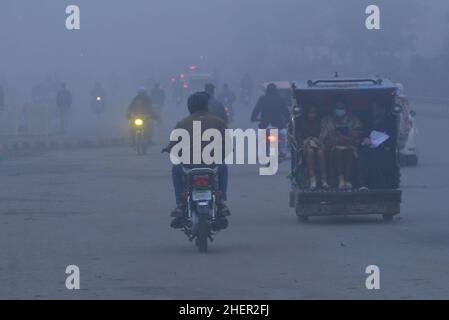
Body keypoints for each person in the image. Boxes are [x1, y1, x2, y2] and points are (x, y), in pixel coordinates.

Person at [163, 91, 231, 229]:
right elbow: (228, 143)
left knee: (176, 170)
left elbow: (173, 144)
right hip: (212, 165)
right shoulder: (218, 122)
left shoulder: (182, 123)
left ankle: (181, 204)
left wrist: (168, 149)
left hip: (189, 165)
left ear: (190, 106)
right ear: (206, 105)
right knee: (223, 168)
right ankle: (221, 200)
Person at [320, 101, 362, 190]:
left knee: (350, 153)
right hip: (333, 147)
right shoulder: (326, 120)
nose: (339, 110)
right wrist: (335, 137)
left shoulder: (354, 120)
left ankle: (347, 179)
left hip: (350, 146)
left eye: (342, 108)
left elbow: (358, 135)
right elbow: (323, 138)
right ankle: (341, 179)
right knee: (338, 152)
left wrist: (346, 137)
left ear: (346, 109)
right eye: (337, 108)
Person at [358, 102, 399, 190]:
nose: (374, 110)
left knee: (383, 158)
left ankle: (384, 183)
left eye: (376, 108)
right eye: (373, 108)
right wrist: (366, 139)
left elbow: (393, 137)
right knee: (364, 157)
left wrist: (382, 143)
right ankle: (363, 184)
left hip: (384, 148)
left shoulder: (390, 120)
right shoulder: (367, 120)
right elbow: (362, 133)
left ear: (382, 109)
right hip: (369, 147)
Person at [251, 83, 290, 157]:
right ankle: (282, 151)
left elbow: (256, 110)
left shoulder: (262, 99)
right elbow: (286, 112)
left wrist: (253, 118)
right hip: (279, 125)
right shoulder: (280, 99)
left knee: (258, 138)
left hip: (264, 125)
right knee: (284, 137)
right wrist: (288, 120)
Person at [297, 105, 329, 190]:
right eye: (310, 112)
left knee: (320, 153)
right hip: (306, 148)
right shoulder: (301, 123)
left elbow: (323, 135)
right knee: (310, 152)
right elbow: (299, 138)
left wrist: (317, 141)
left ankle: (324, 180)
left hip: (319, 146)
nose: (312, 115)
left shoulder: (321, 122)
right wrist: (307, 141)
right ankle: (312, 180)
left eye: (314, 112)